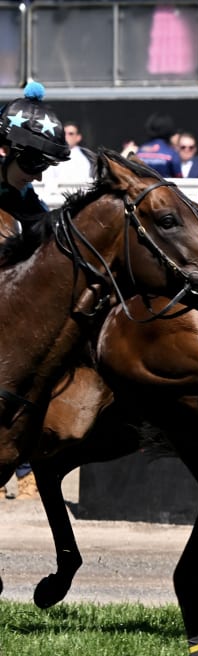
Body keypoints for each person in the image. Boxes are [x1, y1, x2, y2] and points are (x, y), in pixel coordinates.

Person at [0, 81, 71, 501]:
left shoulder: (32, 210)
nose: (39, 172)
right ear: (8, 150)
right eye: (34, 161)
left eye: (45, 164)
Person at [41, 120, 95, 185]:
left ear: (78, 137)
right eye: (64, 133)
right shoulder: (52, 154)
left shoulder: (87, 157)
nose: (66, 136)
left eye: (70, 134)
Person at [135, 112, 179, 178]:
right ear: (169, 129)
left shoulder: (140, 151)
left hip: (143, 187)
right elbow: (180, 179)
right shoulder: (171, 153)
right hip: (164, 187)